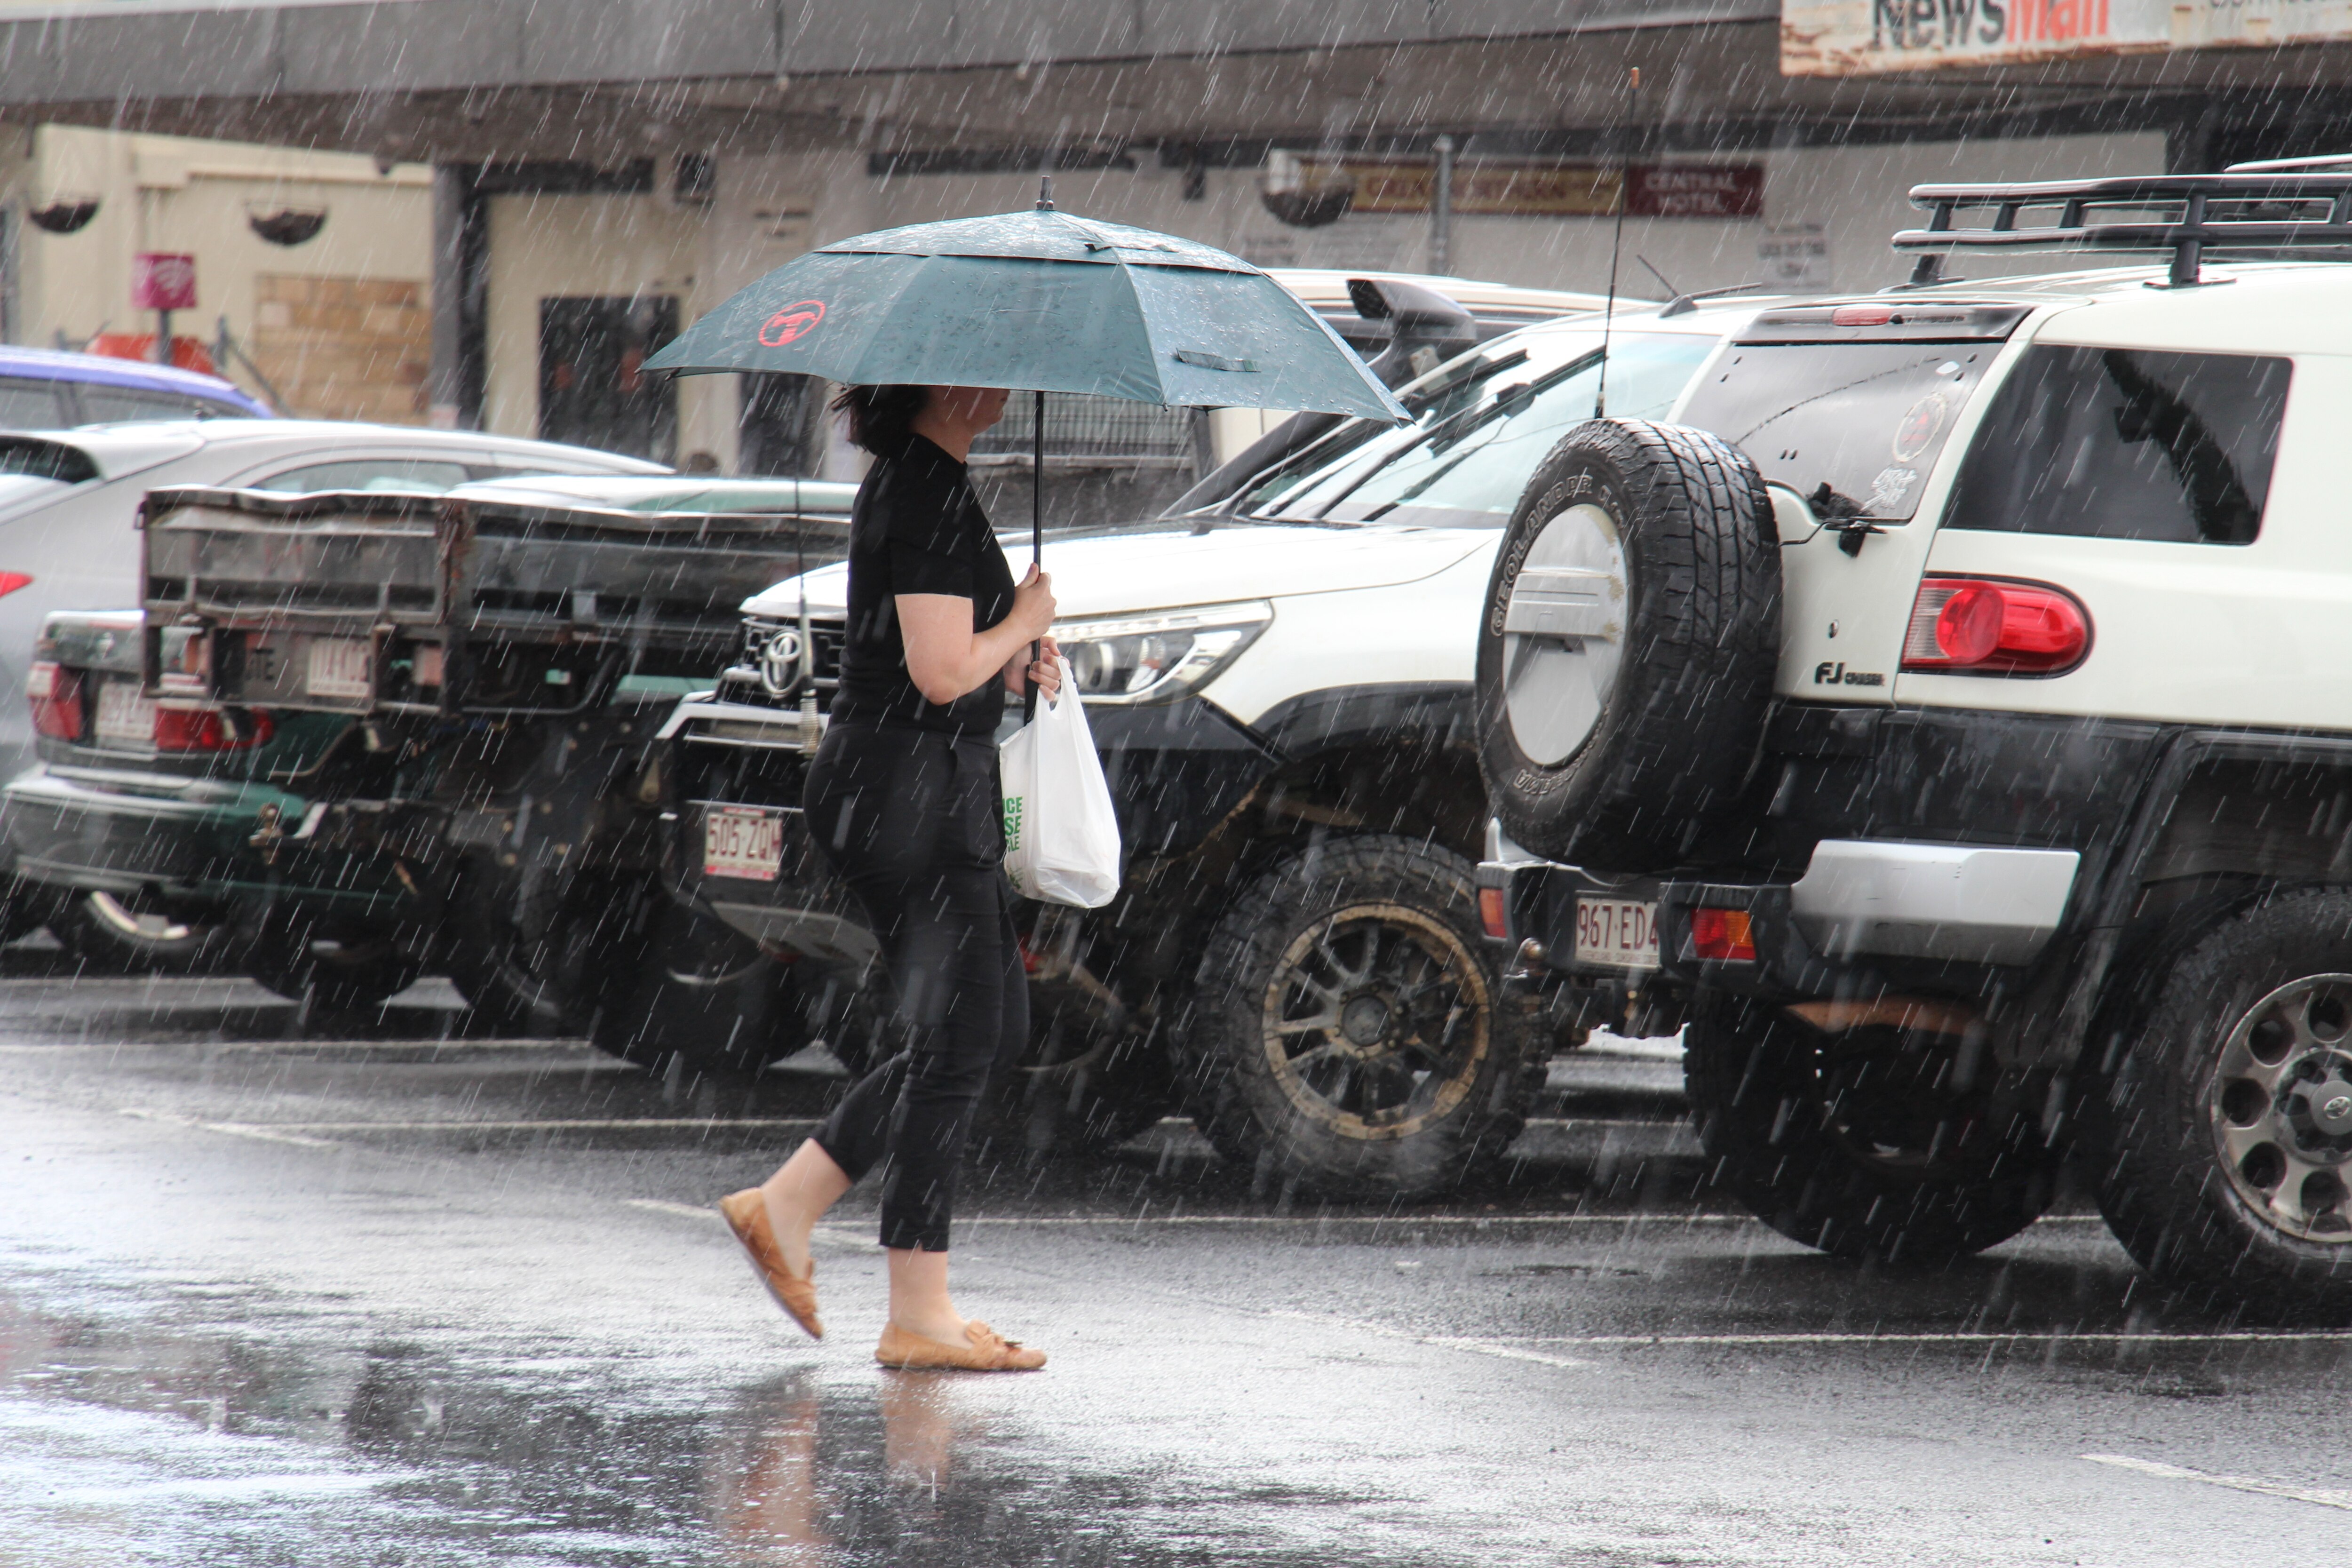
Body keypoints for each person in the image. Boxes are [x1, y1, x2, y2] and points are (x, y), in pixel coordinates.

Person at [719, 382, 1059, 1373]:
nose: (1003, 387)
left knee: (990, 1029)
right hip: (906, 794)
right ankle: (918, 1306)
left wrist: (1018, 655)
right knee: (959, 1039)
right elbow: (937, 669)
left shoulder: (929, 483)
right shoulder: (924, 490)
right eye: (988, 370)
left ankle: (787, 1206)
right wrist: (1020, 621)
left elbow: (950, 662)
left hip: (924, 785)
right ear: (947, 387)